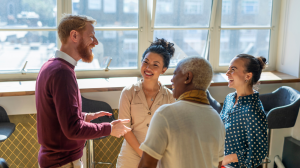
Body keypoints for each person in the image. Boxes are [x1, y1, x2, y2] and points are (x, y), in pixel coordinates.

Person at [35, 14, 131, 168]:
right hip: (63, 162)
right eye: (91, 36)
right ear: (74, 35)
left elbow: (59, 116)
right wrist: (110, 128)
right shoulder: (62, 72)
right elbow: (72, 129)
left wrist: (85, 116)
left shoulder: (51, 66)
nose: (96, 42)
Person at [138, 57, 225, 168]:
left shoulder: (165, 114)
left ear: (187, 77)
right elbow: (218, 164)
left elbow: (147, 164)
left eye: (175, 74)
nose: (172, 80)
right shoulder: (217, 119)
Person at [116, 38, 176, 168]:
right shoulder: (128, 92)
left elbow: (171, 132)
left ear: (164, 69)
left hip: (158, 156)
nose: (148, 68)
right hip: (129, 156)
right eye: (146, 62)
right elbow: (125, 129)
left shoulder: (170, 97)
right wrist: (143, 155)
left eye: (155, 65)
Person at [220, 54, 268, 168]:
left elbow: (258, 154)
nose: (227, 74)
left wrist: (228, 159)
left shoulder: (253, 111)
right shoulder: (229, 98)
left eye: (233, 69)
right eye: (228, 69)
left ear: (248, 76)